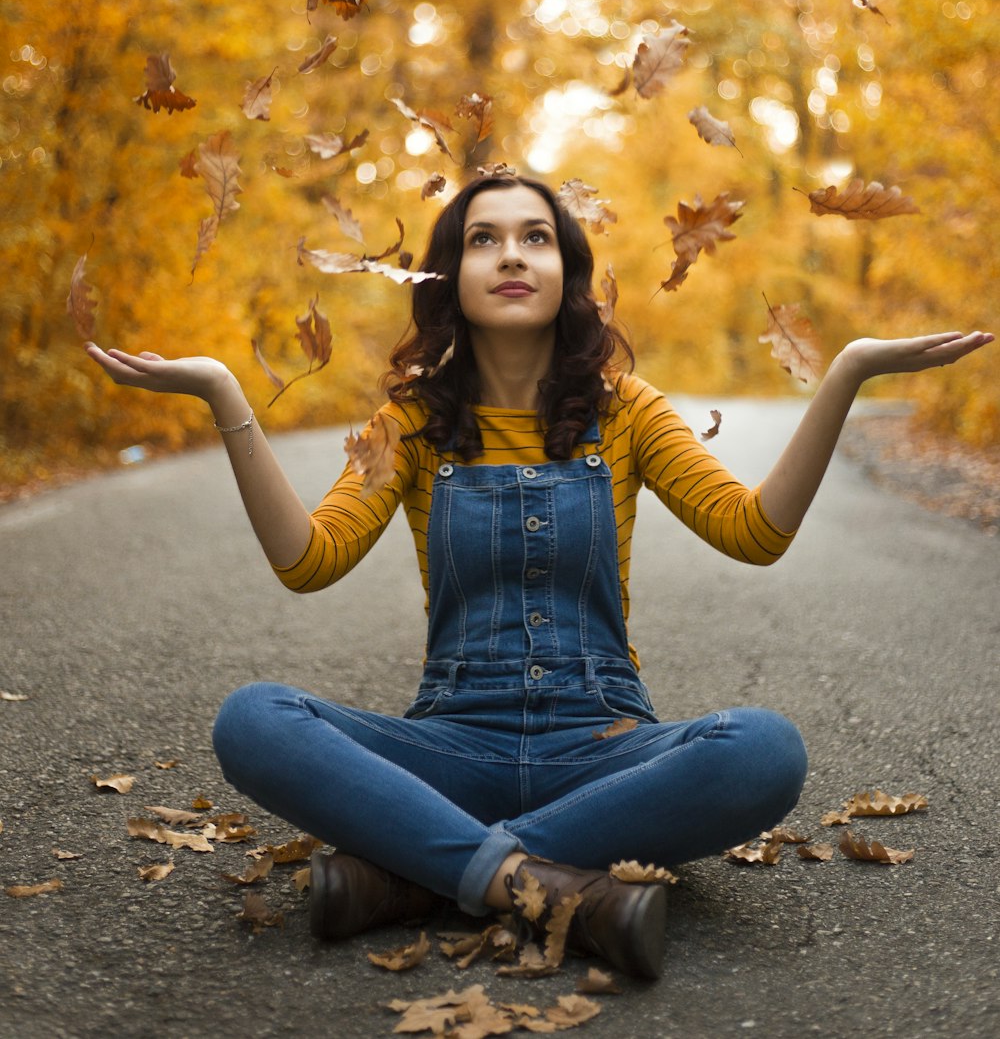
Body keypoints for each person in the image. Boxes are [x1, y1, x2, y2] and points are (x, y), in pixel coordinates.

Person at [85, 172, 992, 980]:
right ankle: (547, 883)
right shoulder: (410, 421)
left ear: (567, 273)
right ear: (451, 276)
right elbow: (308, 561)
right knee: (254, 718)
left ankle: (418, 874)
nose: (511, 254)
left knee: (765, 748)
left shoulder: (626, 413)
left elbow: (753, 533)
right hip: (451, 750)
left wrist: (847, 372)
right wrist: (225, 397)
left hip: (604, 753)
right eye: (484, 238)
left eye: (535, 237)